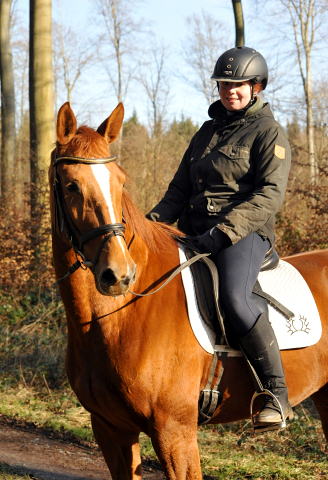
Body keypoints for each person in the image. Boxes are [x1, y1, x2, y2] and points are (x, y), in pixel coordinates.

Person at [146, 46, 293, 431]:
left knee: (234, 297)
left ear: (256, 86)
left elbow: (269, 195)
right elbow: (179, 189)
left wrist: (225, 231)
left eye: (240, 84)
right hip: (195, 230)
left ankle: (276, 394)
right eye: (225, 84)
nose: (231, 90)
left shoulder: (268, 132)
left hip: (243, 233)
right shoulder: (206, 131)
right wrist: (150, 227)